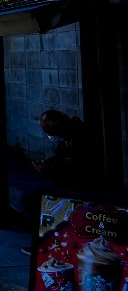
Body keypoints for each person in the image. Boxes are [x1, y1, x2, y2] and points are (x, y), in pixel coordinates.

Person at [20, 109, 101, 254]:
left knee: (32, 199)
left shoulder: (76, 136)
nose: (50, 136)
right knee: (31, 196)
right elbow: (62, 158)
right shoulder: (70, 134)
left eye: (50, 132)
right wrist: (47, 164)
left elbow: (74, 165)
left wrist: (49, 169)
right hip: (71, 181)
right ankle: (44, 241)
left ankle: (44, 244)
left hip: (80, 184)